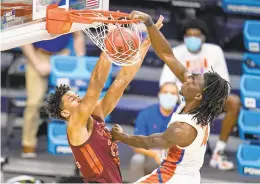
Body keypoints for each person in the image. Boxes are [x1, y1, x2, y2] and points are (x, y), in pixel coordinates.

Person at [111, 11, 230, 184]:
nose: (187, 79)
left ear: (198, 94)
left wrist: (120, 137)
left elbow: (149, 142)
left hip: (173, 177)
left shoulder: (182, 129)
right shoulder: (196, 103)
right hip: (188, 176)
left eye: (193, 80)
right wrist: (150, 23)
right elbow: (167, 54)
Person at [45, 17, 164, 183]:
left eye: (76, 95)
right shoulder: (75, 125)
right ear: (65, 112)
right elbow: (96, 84)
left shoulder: (97, 115)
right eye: (72, 99)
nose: (78, 98)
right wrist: (109, 44)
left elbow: (123, 80)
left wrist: (148, 40)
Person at [159, 18, 240, 170]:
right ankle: (168, 152)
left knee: (233, 102)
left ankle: (218, 152)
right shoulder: (177, 52)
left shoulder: (214, 51)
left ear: (203, 37)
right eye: (189, 35)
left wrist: (206, 99)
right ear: (184, 37)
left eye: (196, 35)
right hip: (184, 101)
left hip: (209, 100)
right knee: (167, 96)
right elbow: (165, 83)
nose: (192, 39)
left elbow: (224, 84)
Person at [21, 31, 85, 158]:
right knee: (33, 103)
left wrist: (80, 61)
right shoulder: (36, 12)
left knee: (71, 103)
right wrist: (37, 64)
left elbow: (78, 35)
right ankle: (28, 144)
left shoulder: (69, 11)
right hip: (38, 55)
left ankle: (77, 143)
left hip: (63, 57)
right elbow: (24, 39)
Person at [129, 82, 179, 182]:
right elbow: (136, 144)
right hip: (151, 155)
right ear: (159, 94)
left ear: (178, 97)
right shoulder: (146, 114)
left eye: (173, 93)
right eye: (165, 92)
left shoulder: (182, 115)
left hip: (173, 157)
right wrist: (154, 154)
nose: (168, 96)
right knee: (137, 160)